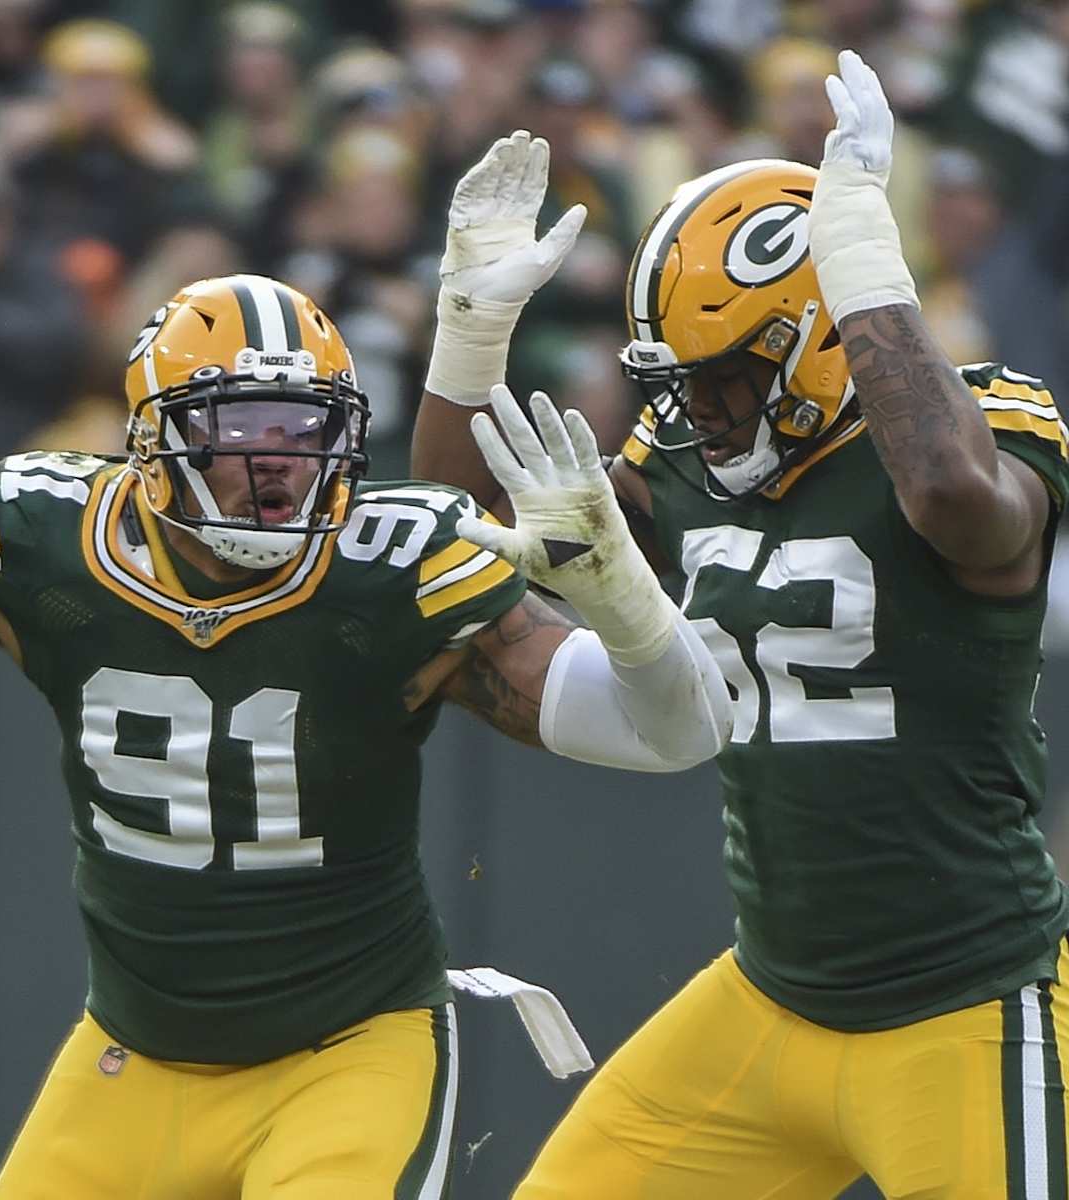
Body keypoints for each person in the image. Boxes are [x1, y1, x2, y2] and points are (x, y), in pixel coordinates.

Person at [0, 272, 732, 1197]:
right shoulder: (42, 533)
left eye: (305, 425)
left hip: (349, 1056)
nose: (280, 458)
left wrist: (626, 605)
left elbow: (671, 734)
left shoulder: (392, 563)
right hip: (134, 1056)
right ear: (155, 438)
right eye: (241, 428)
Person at [413, 51, 1069, 1198]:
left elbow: (957, 502)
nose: (695, 411)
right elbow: (460, 522)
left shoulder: (982, 423)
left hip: (966, 1004)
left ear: (825, 336)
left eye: (725, 377)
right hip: (771, 994)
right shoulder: (683, 461)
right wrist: (470, 339)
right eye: (680, 380)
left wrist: (863, 256)